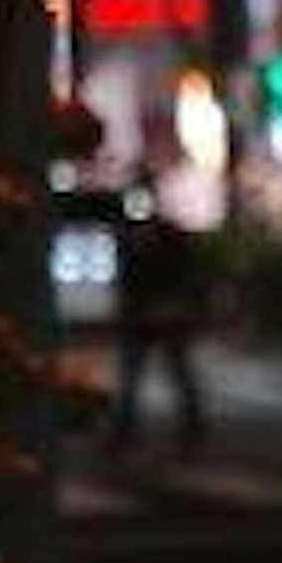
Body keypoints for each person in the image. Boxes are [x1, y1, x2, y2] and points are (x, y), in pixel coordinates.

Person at [107, 185, 213, 454]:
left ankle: (190, 433)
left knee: (176, 376)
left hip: (168, 316)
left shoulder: (170, 236)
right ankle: (124, 434)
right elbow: (127, 282)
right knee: (133, 378)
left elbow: (188, 275)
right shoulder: (128, 236)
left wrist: (177, 305)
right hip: (143, 317)